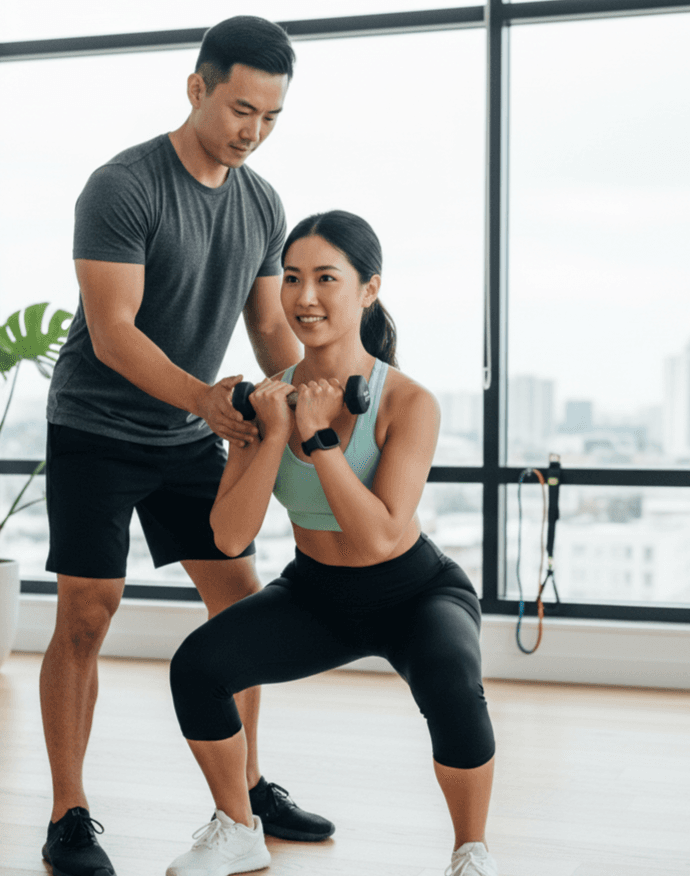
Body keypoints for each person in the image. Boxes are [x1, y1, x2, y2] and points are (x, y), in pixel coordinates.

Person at [40, 16, 335, 876]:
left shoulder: (261, 202)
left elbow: (268, 324)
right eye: (242, 107)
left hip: (186, 431)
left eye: (272, 117)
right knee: (88, 613)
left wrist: (321, 397)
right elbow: (112, 332)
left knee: (241, 604)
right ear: (197, 87)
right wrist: (208, 400)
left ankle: (243, 792)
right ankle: (69, 812)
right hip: (96, 427)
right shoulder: (123, 186)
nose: (254, 130)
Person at [167, 210, 499, 876]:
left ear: (368, 289)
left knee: (451, 682)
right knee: (196, 668)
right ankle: (238, 828)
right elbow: (229, 536)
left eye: (326, 278)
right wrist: (272, 426)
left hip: (415, 590)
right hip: (317, 593)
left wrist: (319, 441)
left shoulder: (409, 402)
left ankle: (471, 851)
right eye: (291, 279)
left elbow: (379, 535)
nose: (305, 297)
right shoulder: (265, 399)